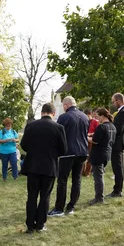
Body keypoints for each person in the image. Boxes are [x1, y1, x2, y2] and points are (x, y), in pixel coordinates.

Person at [21, 103, 67, 233]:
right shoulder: (59, 127)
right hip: (49, 166)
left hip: (32, 166)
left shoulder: (31, 125)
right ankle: (40, 224)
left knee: (32, 196)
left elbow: (24, 145)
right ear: (53, 113)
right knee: (45, 196)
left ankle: (30, 225)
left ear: (41, 113)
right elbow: (63, 149)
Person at [48, 96, 89, 216]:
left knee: (62, 180)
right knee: (77, 180)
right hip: (82, 152)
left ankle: (59, 208)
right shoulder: (85, 117)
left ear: (66, 105)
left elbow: (57, 134)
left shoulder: (64, 117)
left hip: (68, 152)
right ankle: (71, 206)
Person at [88, 108, 116, 205]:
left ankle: (99, 197)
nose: (96, 118)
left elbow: (95, 140)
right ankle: (99, 197)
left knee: (98, 177)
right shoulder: (113, 127)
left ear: (102, 116)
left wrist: (86, 137)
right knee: (100, 175)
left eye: (97, 116)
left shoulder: (101, 127)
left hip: (98, 154)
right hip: (107, 153)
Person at [105, 93, 124, 198]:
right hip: (119, 143)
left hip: (118, 143)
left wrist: (110, 128)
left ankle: (117, 190)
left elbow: (118, 129)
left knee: (117, 167)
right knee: (118, 167)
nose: (113, 104)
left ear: (118, 100)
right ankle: (118, 189)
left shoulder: (122, 112)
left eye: (113, 101)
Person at [82, 109, 99, 177]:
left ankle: (87, 172)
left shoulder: (95, 122)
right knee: (83, 156)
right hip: (84, 140)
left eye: (86, 116)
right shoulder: (85, 121)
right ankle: (82, 171)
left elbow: (98, 132)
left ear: (89, 114)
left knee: (90, 157)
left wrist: (90, 134)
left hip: (91, 141)